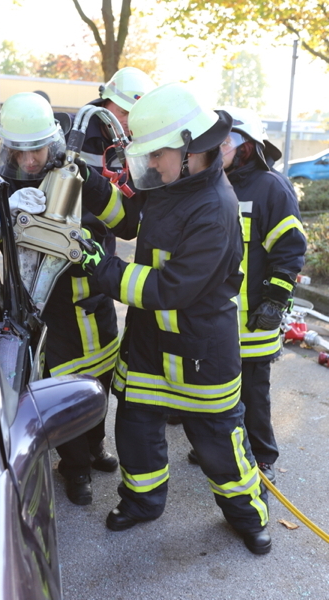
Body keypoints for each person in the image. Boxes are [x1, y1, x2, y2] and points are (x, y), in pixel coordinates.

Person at [74, 83, 271, 555]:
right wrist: (89, 182)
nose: (151, 163)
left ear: (189, 149)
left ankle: (248, 514)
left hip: (199, 351)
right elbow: (128, 220)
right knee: (136, 430)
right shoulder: (171, 184)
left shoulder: (214, 207)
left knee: (220, 444)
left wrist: (103, 268)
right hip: (149, 345)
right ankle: (142, 502)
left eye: (156, 154)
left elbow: (169, 289)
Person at [0, 91, 119, 506]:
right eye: (18, 152)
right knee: (60, 394)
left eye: (36, 150)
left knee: (99, 383)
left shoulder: (74, 175)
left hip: (93, 306)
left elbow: (123, 223)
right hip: (42, 315)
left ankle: (95, 446)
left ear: (52, 142)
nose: (28, 161)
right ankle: (74, 469)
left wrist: (91, 183)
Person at [188, 106, 306, 484]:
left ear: (248, 146)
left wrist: (275, 302)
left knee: (253, 395)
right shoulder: (209, 185)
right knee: (215, 392)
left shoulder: (271, 187)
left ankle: (261, 456)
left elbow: (289, 249)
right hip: (214, 319)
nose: (218, 149)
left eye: (227, 141)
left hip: (253, 321)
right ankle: (217, 448)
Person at [79, 67, 156, 255]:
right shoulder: (72, 135)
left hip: (104, 249)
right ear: (105, 103)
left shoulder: (138, 151)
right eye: (123, 112)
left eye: (135, 115)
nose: (129, 122)